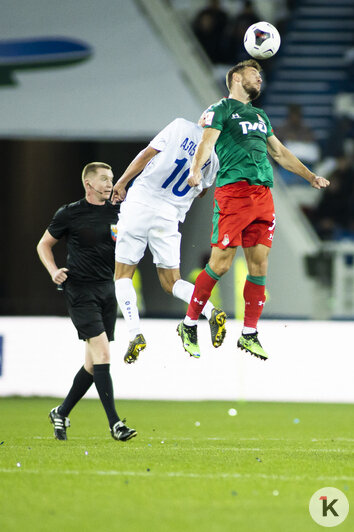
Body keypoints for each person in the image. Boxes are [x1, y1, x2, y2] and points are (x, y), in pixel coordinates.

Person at [177, 59, 330, 360]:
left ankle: (249, 333)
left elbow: (280, 152)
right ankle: (189, 323)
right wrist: (196, 170)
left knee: (259, 266)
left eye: (260, 74)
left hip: (263, 194)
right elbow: (207, 143)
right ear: (235, 77)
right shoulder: (220, 109)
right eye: (253, 73)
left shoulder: (260, 116)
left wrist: (310, 176)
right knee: (220, 264)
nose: (260, 78)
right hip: (234, 192)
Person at [112, 117, 226, 363]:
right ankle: (210, 311)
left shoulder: (180, 127)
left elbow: (146, 154)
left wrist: (121, 182)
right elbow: (202, 191)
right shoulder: (214, 160)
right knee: (171, 282)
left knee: (122, 275)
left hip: (140, 204)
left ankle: (135, 333)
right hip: (168, 217)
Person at [37, 162, 137, 442]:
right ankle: (115, 424)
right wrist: (54, 271)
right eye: (104, 179)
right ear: (88, 184)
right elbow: (43, 244)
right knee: (103, 355)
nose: (110, 183)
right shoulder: (69, 213)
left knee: (94, 364)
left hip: (108, 290)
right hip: (80, 291)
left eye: (112, 179)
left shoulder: (119, 212)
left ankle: (61, 411)